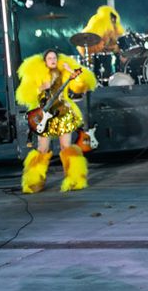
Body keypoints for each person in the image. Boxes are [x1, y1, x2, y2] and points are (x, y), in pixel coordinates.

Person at [16, 49, 98, 193]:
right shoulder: (38, 75)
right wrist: (40, 88)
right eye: (49, 58)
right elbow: (26, 95)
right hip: (45, 115)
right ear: (45, 61)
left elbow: (79, 85)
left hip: (63, 113)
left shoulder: (64, 73)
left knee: (66, 146)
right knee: (42, 148)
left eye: (54, 57)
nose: (53, 60)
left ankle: (75, 179)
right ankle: (34, 182)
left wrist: (70, 69)